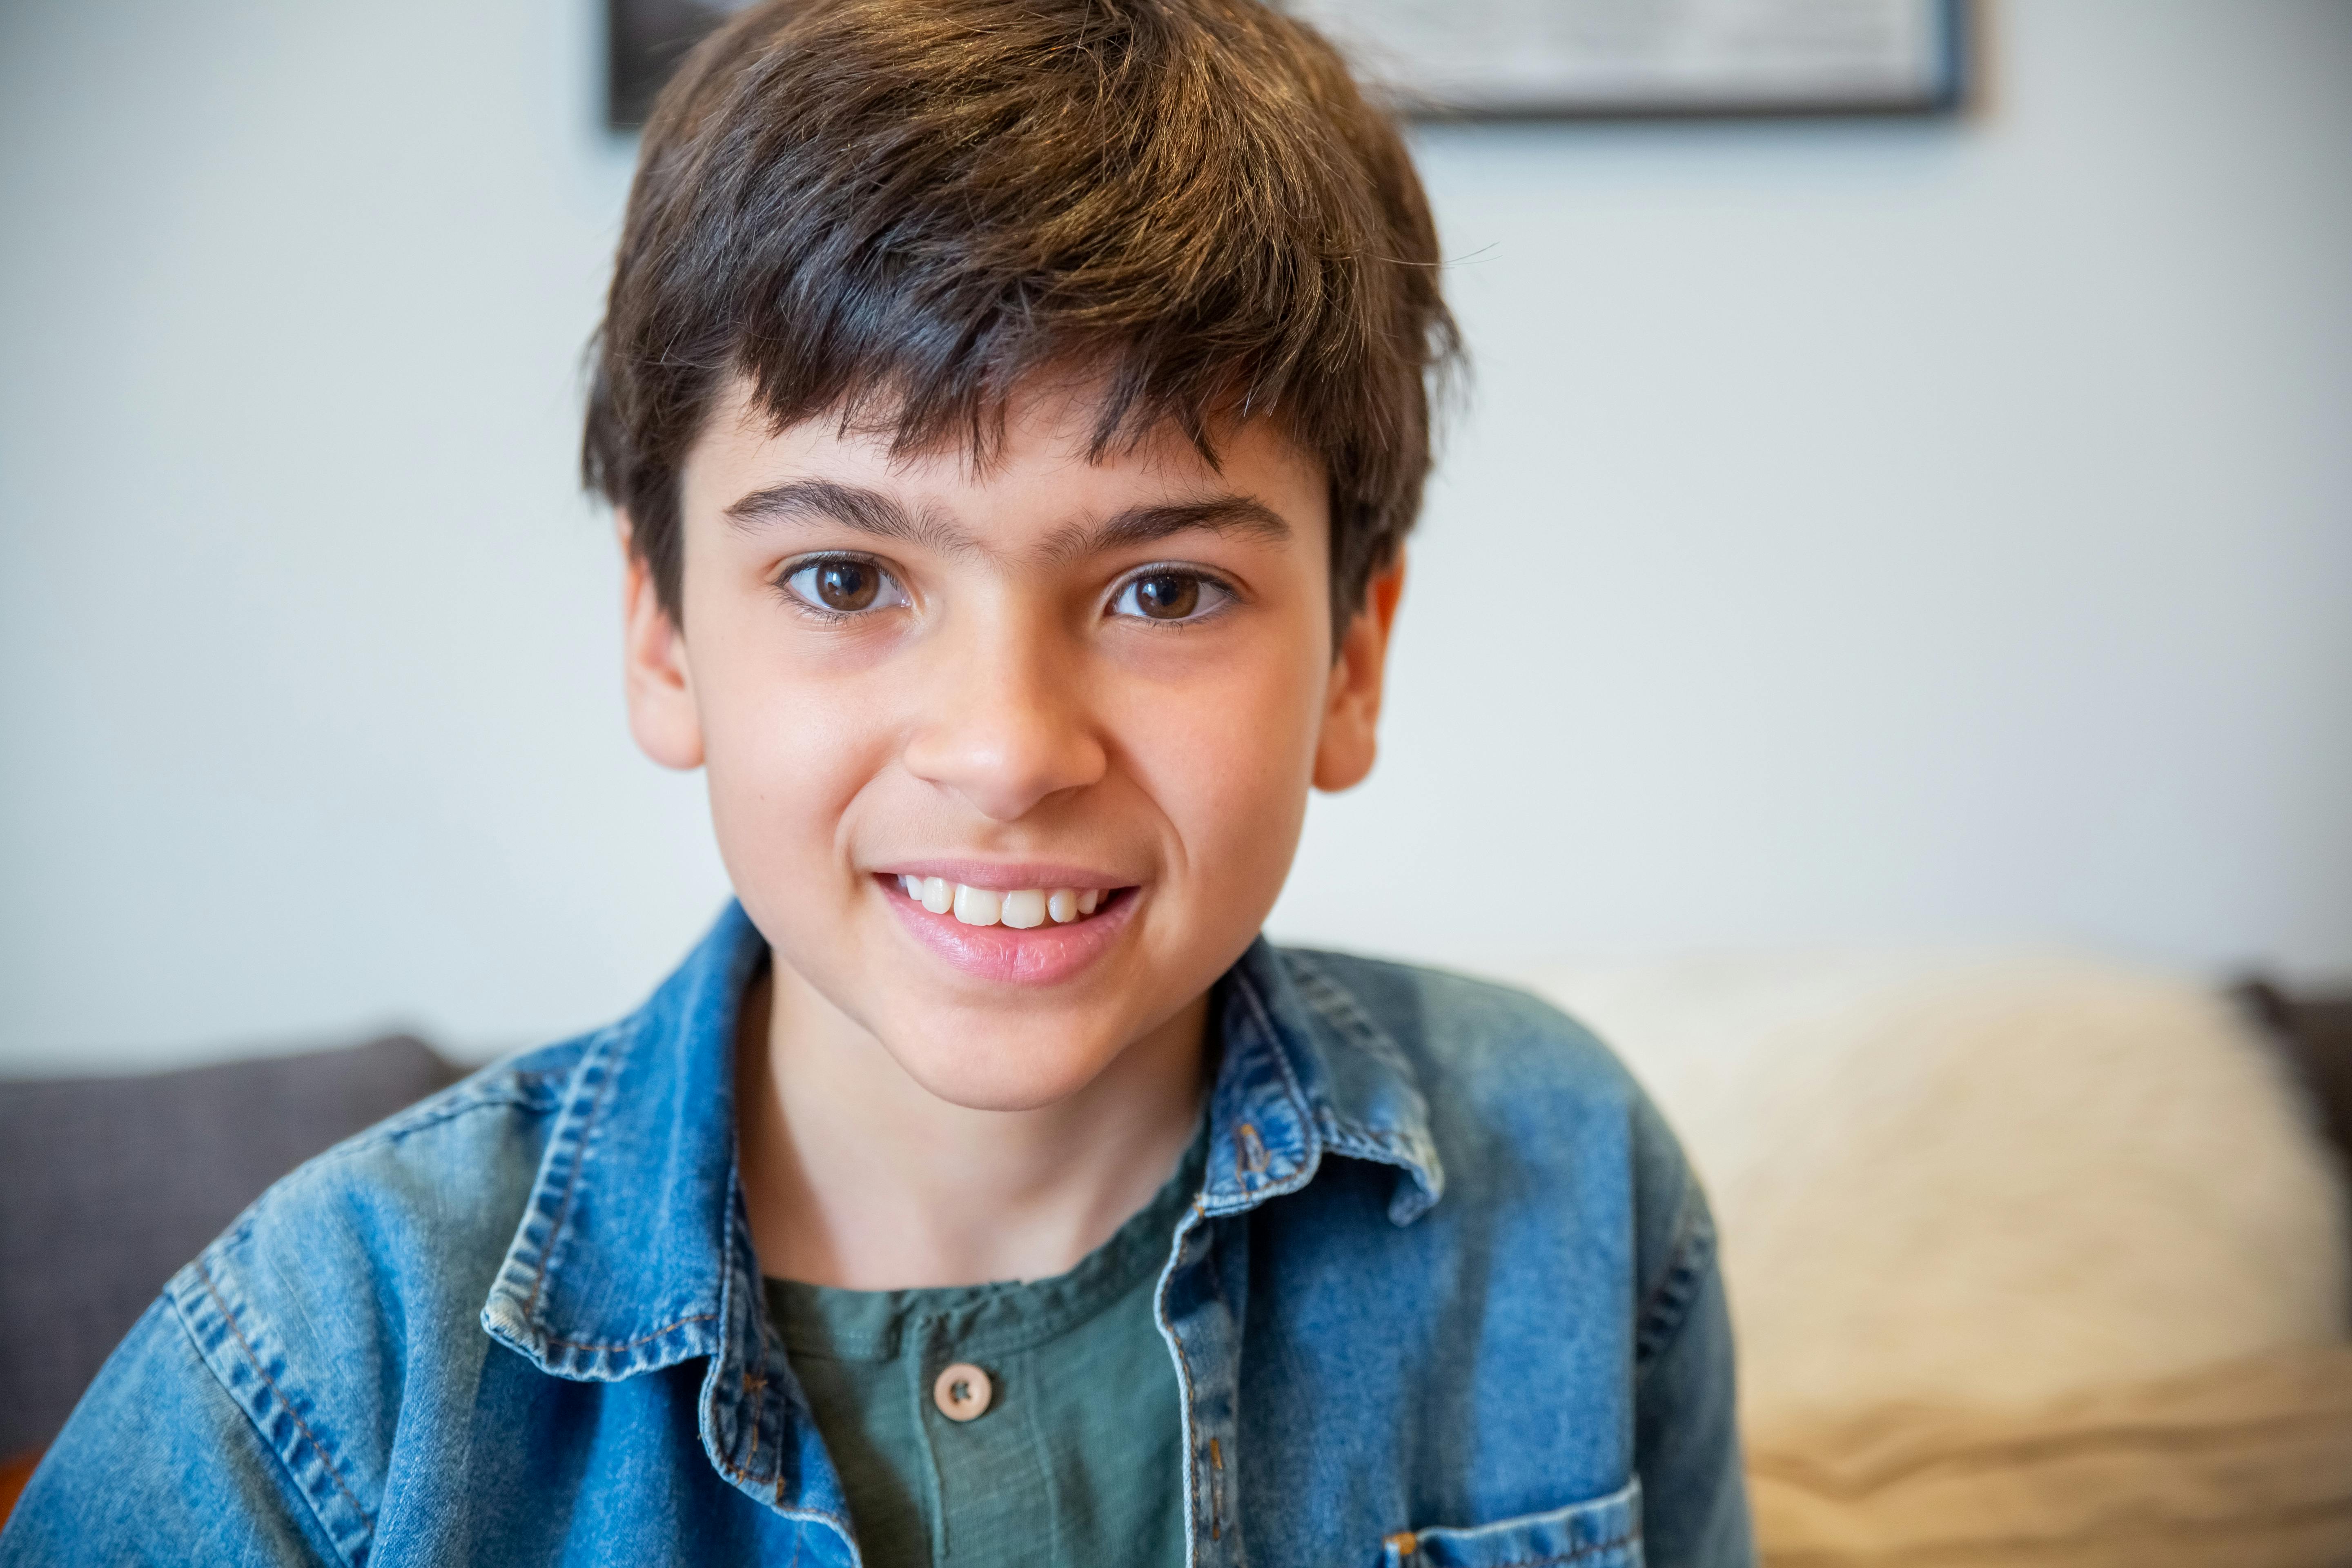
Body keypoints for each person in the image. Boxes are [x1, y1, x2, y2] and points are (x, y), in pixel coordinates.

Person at [0, 0, 1752, 1562]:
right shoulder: (325, 1361)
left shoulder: (1565, 1182)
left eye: (1164, 590)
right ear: (666, 634)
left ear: (1352, 662)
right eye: (846, 579)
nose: (1002, 752)